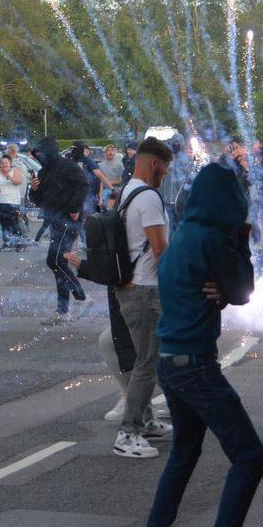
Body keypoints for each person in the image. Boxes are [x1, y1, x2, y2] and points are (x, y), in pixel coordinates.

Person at [134, 163, 263, 527]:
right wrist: (242, 248)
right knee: (250, 458)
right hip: (196, 364)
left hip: (170, 361)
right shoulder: (213, 238)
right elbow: (246, 289)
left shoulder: (182, 239)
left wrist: (221, 289)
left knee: (185, 450)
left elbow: (217, 290)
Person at [110, 137, 173, 458]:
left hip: (127, 286)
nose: (165, 174)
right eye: (164, 168)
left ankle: (146, 420)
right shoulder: (149, 198)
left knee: (144, 359)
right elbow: (160, 248)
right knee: (147, 363)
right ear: (153, 164)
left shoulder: (124, 192)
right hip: (146, 289)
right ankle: (129, 431)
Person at [31, 138, 91, 323]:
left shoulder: (68, 166)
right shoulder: (43, 172)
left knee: (56, 260)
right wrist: (34, 190)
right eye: (37, 155)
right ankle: (63, 310)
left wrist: (74, 208)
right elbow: (39, 200)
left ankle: (80, 298)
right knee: (57, 263)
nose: (40, 157)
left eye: (42, 154)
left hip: (69, 219)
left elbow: (84, 185)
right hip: (54, 219)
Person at [0, 156, 26, 251]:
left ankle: (20, 243)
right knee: (3, 224)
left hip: (12, 202)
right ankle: (6, 242)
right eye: (2, 163)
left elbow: (19, 181)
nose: (4, 165)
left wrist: (10, 177)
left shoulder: (15, 171)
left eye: (6, 163)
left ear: (10, 164)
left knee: (14, 223)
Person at [97, 145, 126, 209]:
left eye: (112, 150)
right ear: (105, 153)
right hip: (104, 191)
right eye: (108, 150)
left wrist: (107, 182)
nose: (110, 152)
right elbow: (100, 182)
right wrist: (100, 197)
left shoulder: (120, 165)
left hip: (116, 190)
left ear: (115, 152)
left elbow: (121, 180)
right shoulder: (100, 165)